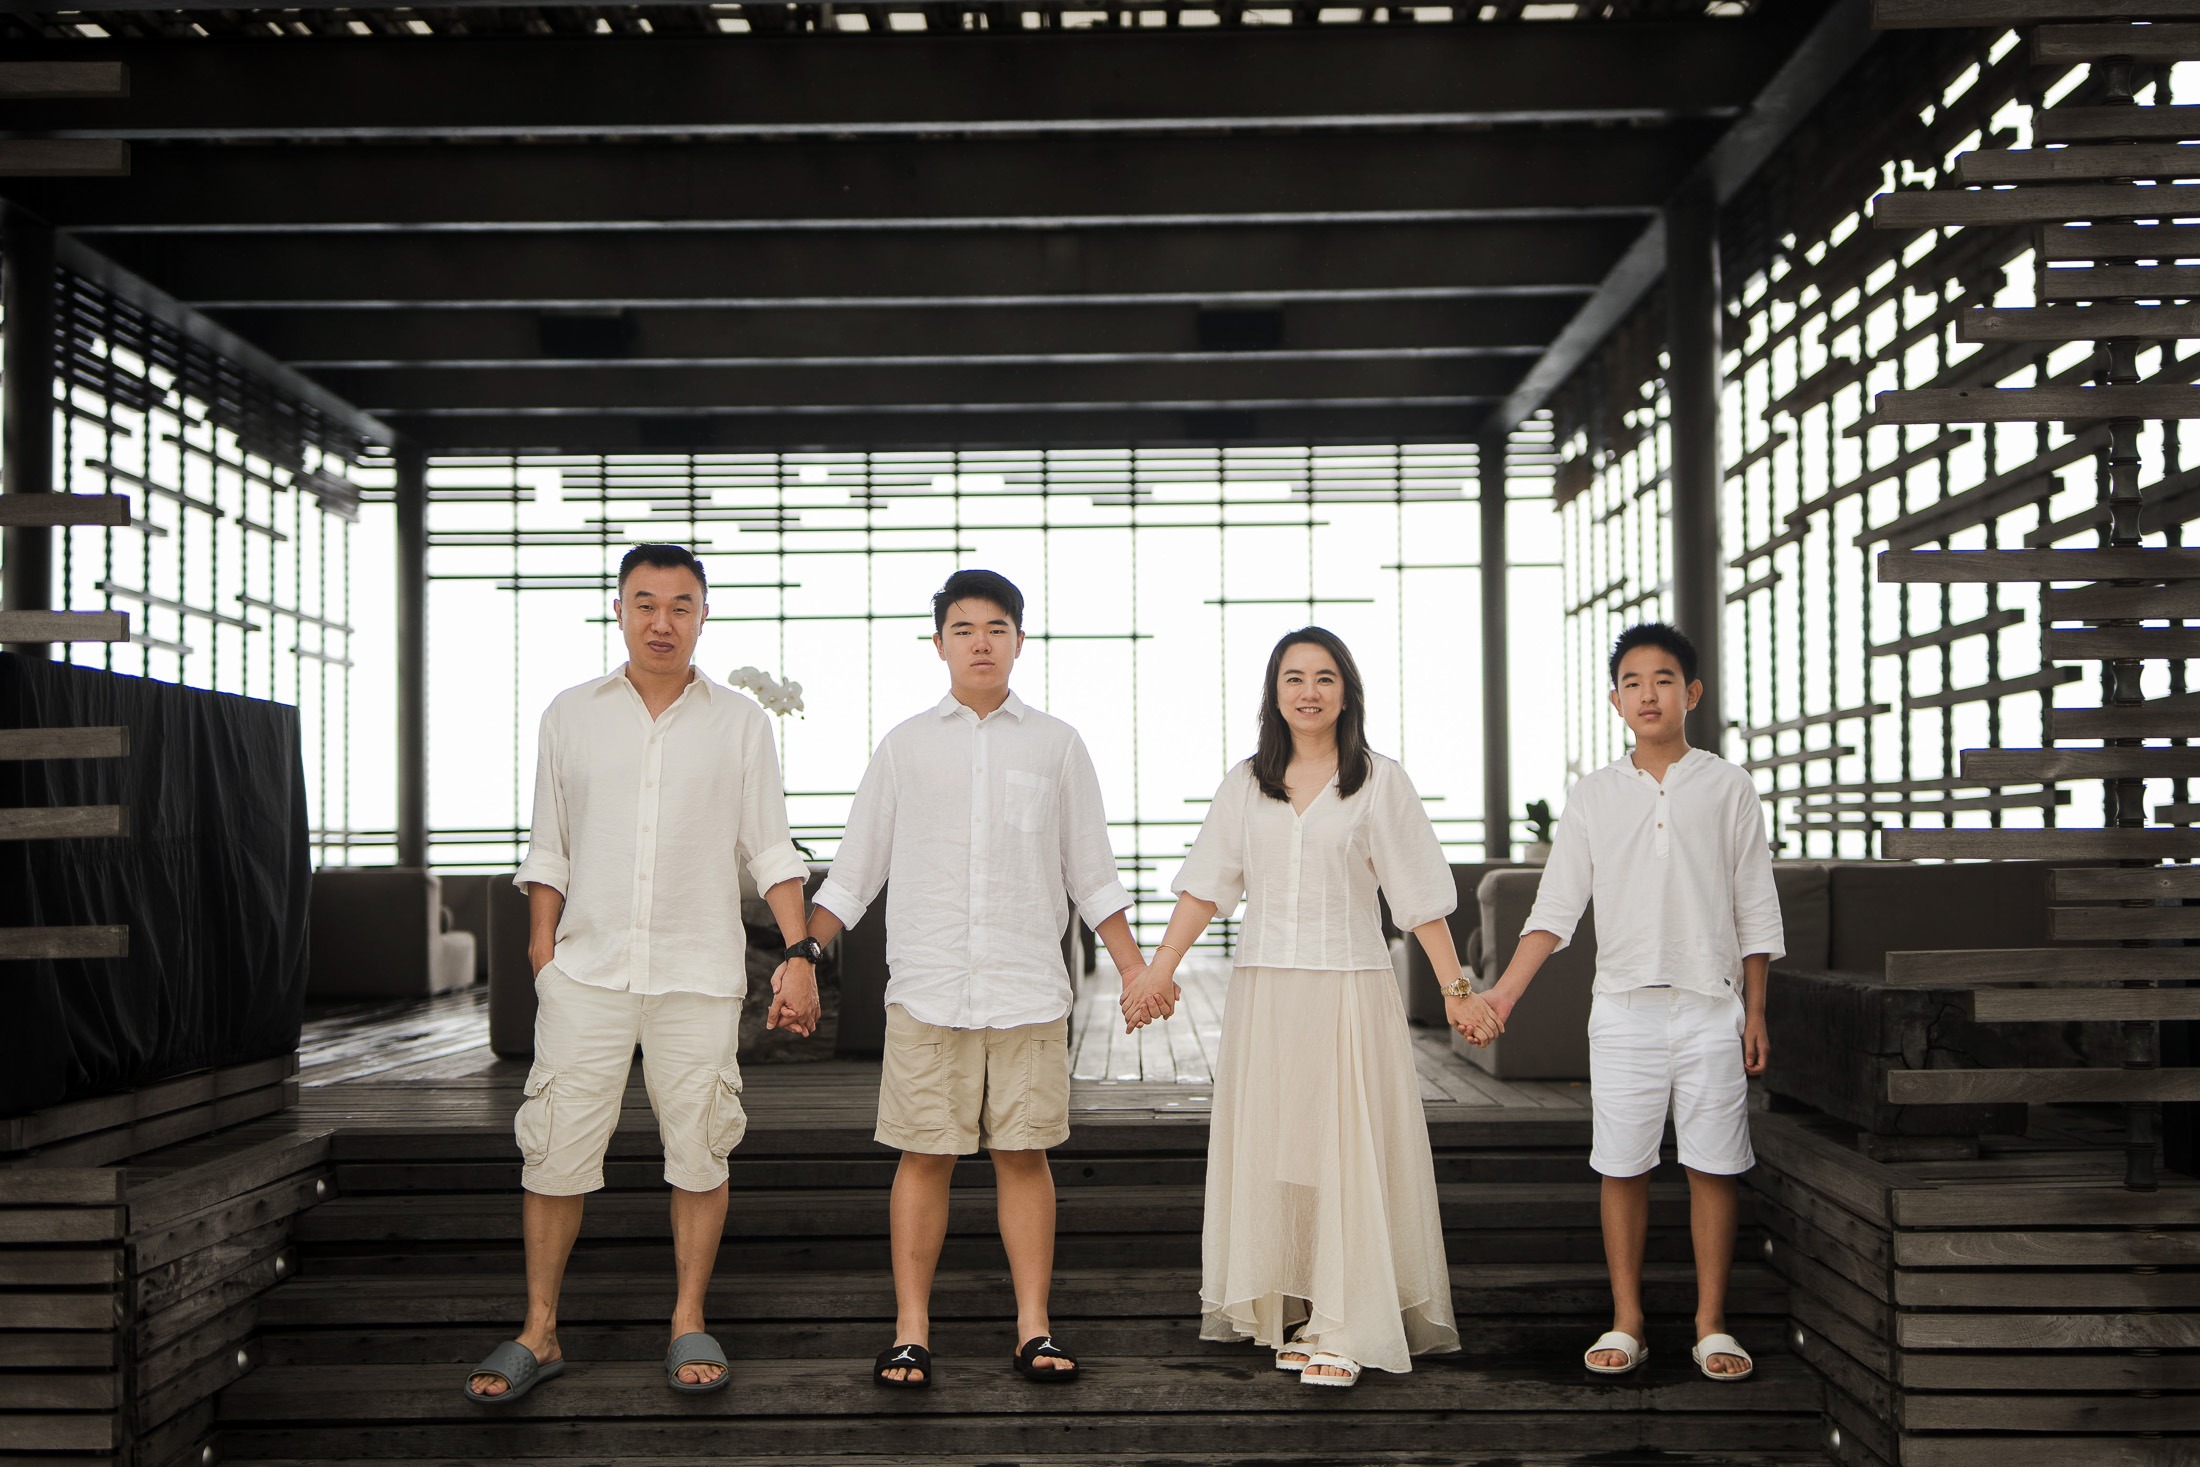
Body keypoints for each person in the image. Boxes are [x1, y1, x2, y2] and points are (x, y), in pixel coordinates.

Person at [465, 543, 822, 1404]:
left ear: (704, 615)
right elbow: (547, 846)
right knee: (554, 1149)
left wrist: (800, 952)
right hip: (584, 973)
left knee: (700, 1146)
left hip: (698, 975)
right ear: (620, 609)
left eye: (681, 604)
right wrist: (543, 954)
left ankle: (687, 1316)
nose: (663, 620)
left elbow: (770, 846)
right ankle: (540, 1329)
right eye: (645, 602)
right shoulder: (569, 714)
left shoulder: (741, 722)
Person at [792, 569, 1149, 1389]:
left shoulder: (1057, 743)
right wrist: (805, 953)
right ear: (940, 643)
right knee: (925, 1154)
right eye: (963, 628)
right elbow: (854, 872)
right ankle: (911, 1331)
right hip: (930, 985)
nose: (981, 641)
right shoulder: (906, 746)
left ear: (1020, 638)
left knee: (1024, 1153)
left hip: (1026, 984)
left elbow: (1091, 871)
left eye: (996, 626)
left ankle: (1034, 1327)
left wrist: (1135, 970)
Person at [1127, 627, 1501, 1388]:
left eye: (1324, 677)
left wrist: (1459, 991)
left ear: (1346, 691)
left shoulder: (1378, 781)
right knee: (1283, 1153)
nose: (1308, 690)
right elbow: (1207, 885)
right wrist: (1156, 972)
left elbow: (1419, 900)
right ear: (1274, 692)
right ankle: (1300, 1310)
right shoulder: (1247, 783)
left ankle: (1342, 1320)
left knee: (1343, 1151)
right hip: (1267, 992)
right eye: (1293, 677)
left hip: (1348, 987)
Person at [1480, 621, 1778, 1383]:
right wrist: (1503, 995)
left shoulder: (1728, 785)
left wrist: (1757, 1009)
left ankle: (1712, 1324)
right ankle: (1629, 1319)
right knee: (1622, 1165)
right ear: (1616, 699)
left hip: (1712, 1008)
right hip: (1621, 1009)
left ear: (1694, 693)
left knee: (1714, 1165)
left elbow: (1755, 902)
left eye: (1665, 679)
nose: (1650, 693)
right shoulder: (1594, 795)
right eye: (1634, 681)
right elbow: (1554, 908)